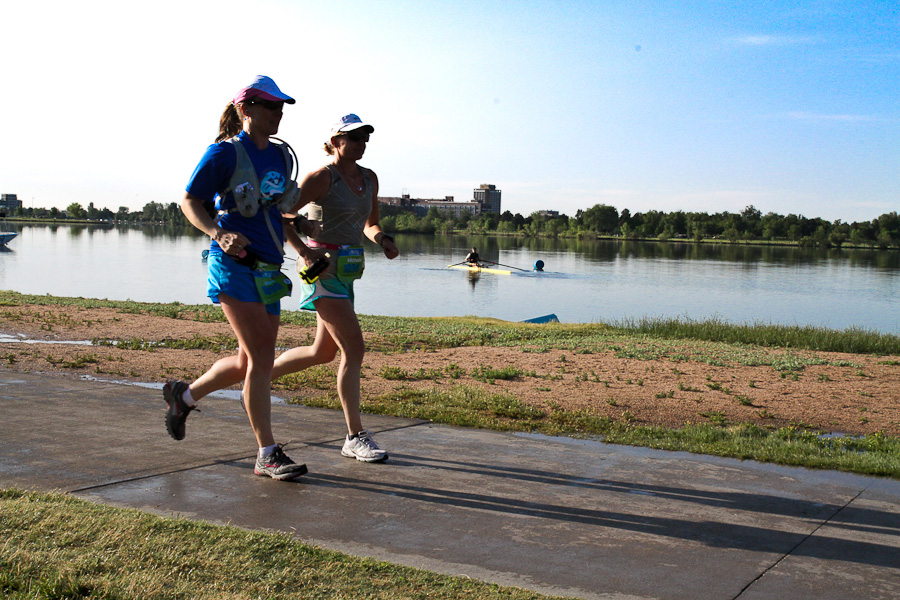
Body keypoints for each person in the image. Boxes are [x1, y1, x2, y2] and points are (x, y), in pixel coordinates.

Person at [163, 75, 307, 481]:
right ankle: (266, 453)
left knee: (250, 359)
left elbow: (276, 210)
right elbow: (189, 200)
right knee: (262, 358)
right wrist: (217, 232)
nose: (278, 114)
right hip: (233, 266)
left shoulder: (279, 157)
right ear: (246, 110)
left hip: (267, 270)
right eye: (270, 106)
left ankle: (184, 396)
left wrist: (301, 243)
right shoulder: (224, 154)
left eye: (282, 107)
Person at [275, 114, 399, 462]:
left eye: (364, 138)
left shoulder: (369, 178)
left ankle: (257, 381)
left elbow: (369, 224)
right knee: (354, 349)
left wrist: (384, 240)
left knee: (322, 353)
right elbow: (280, 214)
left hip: (348, 270)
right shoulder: (320, 177)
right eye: (353, 137)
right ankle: (354, 436)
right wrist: (302, 249)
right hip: (320, 270)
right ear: (334, 141)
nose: (360, 143)